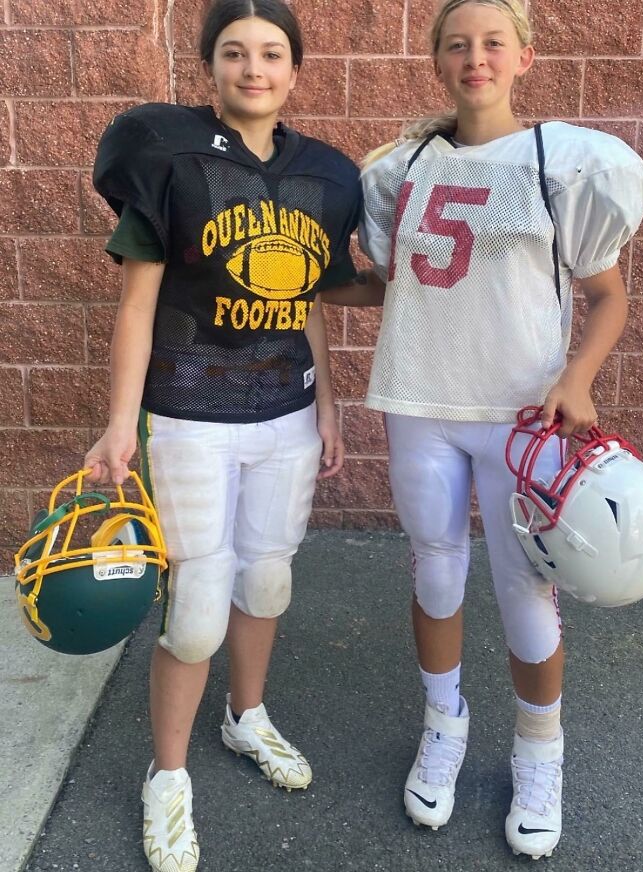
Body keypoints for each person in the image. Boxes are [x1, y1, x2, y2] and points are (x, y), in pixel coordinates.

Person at [355, 0, 643, 859]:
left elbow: (608, 296)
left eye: (493, 43)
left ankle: (539, 749)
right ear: (437, 61)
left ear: (526, 56)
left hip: (523, 416)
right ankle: (442, 723)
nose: (474, 58)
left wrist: (577, 376)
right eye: (457, 45)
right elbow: (394, 285)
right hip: (421, 401)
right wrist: (286, 284)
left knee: (524, 587)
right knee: (436, 570)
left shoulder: (562, 162)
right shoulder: (402, 166)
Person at [85, 2, 362, 869]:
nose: (254, 69)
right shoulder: (170, 157)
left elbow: (309, 298)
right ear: (209, 66)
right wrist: (118, 423)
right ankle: (167, 776)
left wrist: (327, 401)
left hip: (285, 407)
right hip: (191, 411)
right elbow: (137, 305)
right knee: (199, 606)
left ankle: (247, 717)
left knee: (268, 578)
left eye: (271, 54)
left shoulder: (324, 173)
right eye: (235, 53)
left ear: (294, 69)